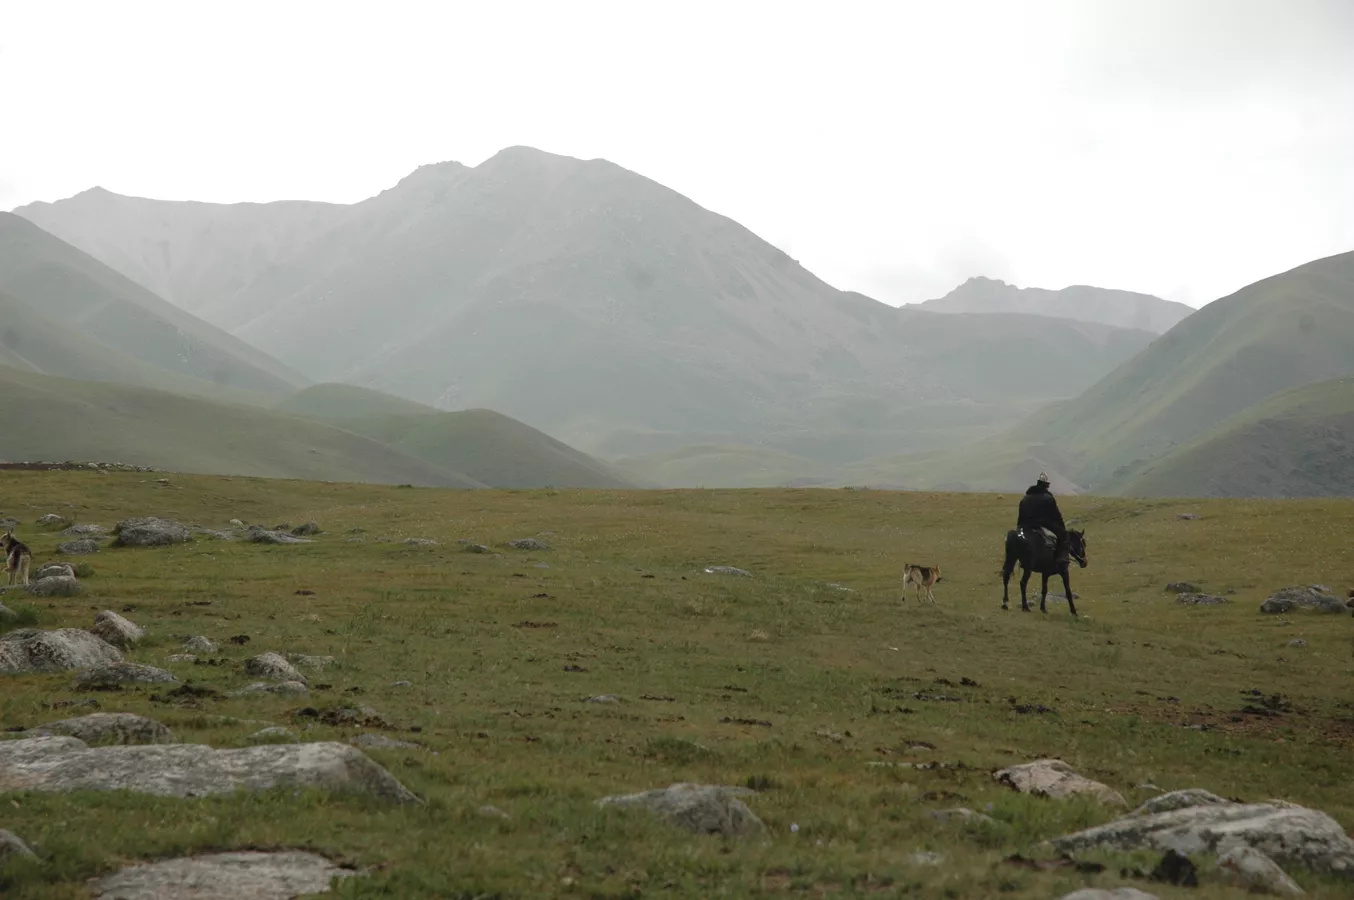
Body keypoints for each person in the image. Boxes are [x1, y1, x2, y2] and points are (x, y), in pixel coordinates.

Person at [1017, 471, 1066, 562]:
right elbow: (1056, 515)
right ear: (1047, 486)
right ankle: (1059, 558)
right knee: (1062, 535)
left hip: (1024, 526)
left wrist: (1019, 527)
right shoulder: (1048, 498)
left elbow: (1021, 515)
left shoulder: (1026, 497)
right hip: (1040, 524)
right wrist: (1062, 527)